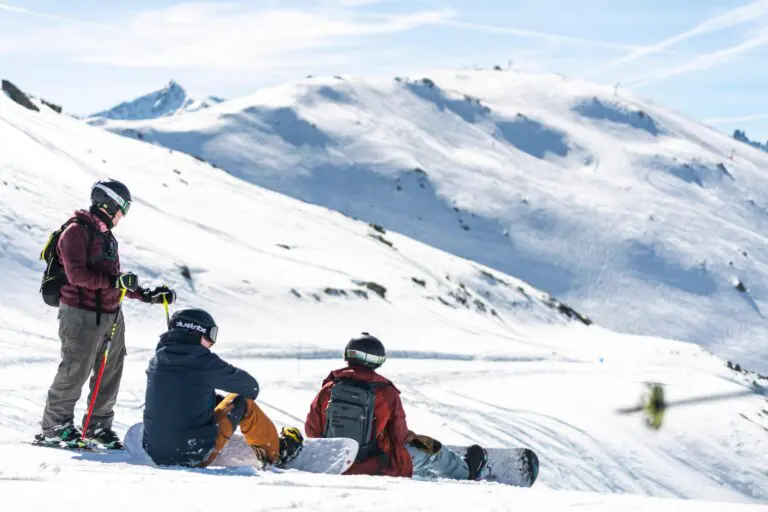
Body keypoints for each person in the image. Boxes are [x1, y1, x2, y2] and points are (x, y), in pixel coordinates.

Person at [36, 179, 176, 449]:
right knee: (75, 368)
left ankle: (97, 426)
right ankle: (55, 426)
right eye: (123, 208)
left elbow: (114, 280)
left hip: (111, 314)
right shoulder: (76, 231)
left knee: (109, 371)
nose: (123, 215)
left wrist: (147, 295)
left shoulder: (106, 236)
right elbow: (77, 275)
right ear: (109, 203)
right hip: (80, 313)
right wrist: (115, 283)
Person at [305, 333, 488, 480]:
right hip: (377, 465)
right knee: (430, 450)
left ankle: (426, 476)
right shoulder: (385, 392)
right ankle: (466, 472)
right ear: (377, 360)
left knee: (410, 458)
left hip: (336, 464)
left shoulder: (329, 389)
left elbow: (312, 430)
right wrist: (415, 438)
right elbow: (399, 436)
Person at [142, 308, 303, 468]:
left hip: (155, 453)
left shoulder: (157, 360)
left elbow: (181, 396)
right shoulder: (203, 361)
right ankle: (277, 453)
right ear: (197, 332)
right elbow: (250, 387)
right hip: (193, 454)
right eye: (211, 335)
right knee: (242, 402)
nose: (212, 343)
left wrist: (212, 400)